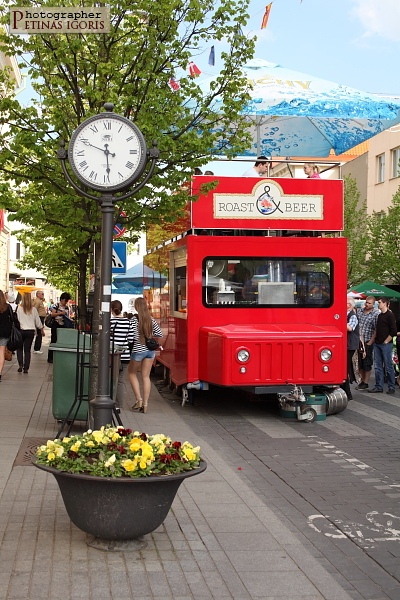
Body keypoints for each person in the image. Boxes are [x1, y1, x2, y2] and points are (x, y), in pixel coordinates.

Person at [128, 297, 162, 414]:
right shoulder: (151, 319)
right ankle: (146, 404)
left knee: (131, 373)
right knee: (146, 377)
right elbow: (159, 333)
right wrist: (150, 336)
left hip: (138, 350)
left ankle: (139, 400)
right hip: (150, 351)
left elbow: (131, 336)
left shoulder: (133, 320)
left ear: (137, 307)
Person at [368, 297, 397, 394]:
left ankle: (391, 386)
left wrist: (386, 341)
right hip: (378, 343)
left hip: (385, 344)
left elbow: (393, 330)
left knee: (388, 366)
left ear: (385, 303)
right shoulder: (380, 315)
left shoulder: (390, 315)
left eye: (379, 302)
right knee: (377, 366)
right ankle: (378, 386)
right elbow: (377, 329)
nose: (378, 304)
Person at [110, 300, 134, 411]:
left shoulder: (109, 322)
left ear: (111, 309)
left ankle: (109, 402)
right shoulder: (129, 322)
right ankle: (118, 405)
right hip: (124, 356)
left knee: (109, 378)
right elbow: (130, 339)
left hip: (112, 355)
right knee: (120, 380)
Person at [15, 292, 44, 374]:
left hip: (21, 330)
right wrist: (41, 329)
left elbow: (17, 319)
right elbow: (37, 321)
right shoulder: (33, 309)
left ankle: (20, 365)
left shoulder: (19, 308)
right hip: (30, 331)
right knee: (27, 350)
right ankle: (26, 368)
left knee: (19, 348)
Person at [356, 296, 379, 390]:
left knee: (367, 362)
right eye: (366, 302)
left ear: (373, 304)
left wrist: (370, 342)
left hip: (367, 340)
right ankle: (361, 381)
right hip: (358, 340)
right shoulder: (360, 311)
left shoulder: (375, 314)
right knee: (359, 362)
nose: (367, 304)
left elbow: (376, 329)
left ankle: (366, 382)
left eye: (369, 303)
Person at [340, 297, 359, 400]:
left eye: (345, 303)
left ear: (349, 305)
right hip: (346, 345)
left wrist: (339, 321)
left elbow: (350, 328)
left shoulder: (353, 316)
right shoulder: (346, 314)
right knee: (343, 368)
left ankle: (347, 393)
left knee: (345, 369)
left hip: (350, 345)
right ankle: (345, 391)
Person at [47, 292, 72, 363]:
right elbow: (52, 314)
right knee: (54, 340)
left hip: (63, 325)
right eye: (65, 301)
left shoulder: (67, 307)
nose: (66, 302)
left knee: (61, 341)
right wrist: (61, 313)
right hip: (56, 324)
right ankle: (50, 357)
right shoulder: (56, 305)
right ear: (61, 299)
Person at [0, 290, 13, 382]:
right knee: (1, 353)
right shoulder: (7, 307)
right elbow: (12, 319)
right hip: (4, 333)